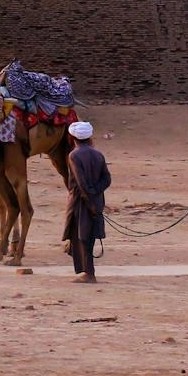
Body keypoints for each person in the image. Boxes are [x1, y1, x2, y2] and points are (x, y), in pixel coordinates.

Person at [62, 120, 109, 282]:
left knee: (81, 235)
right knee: (87, 235)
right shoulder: (98, 154)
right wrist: (96, 195)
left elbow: (81, 183)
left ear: (73, 138)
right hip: (95, 200)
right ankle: (84, 271)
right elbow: (107, 179)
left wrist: (89, 200)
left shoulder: (74, 155)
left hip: (80, 202)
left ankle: (87, 273)